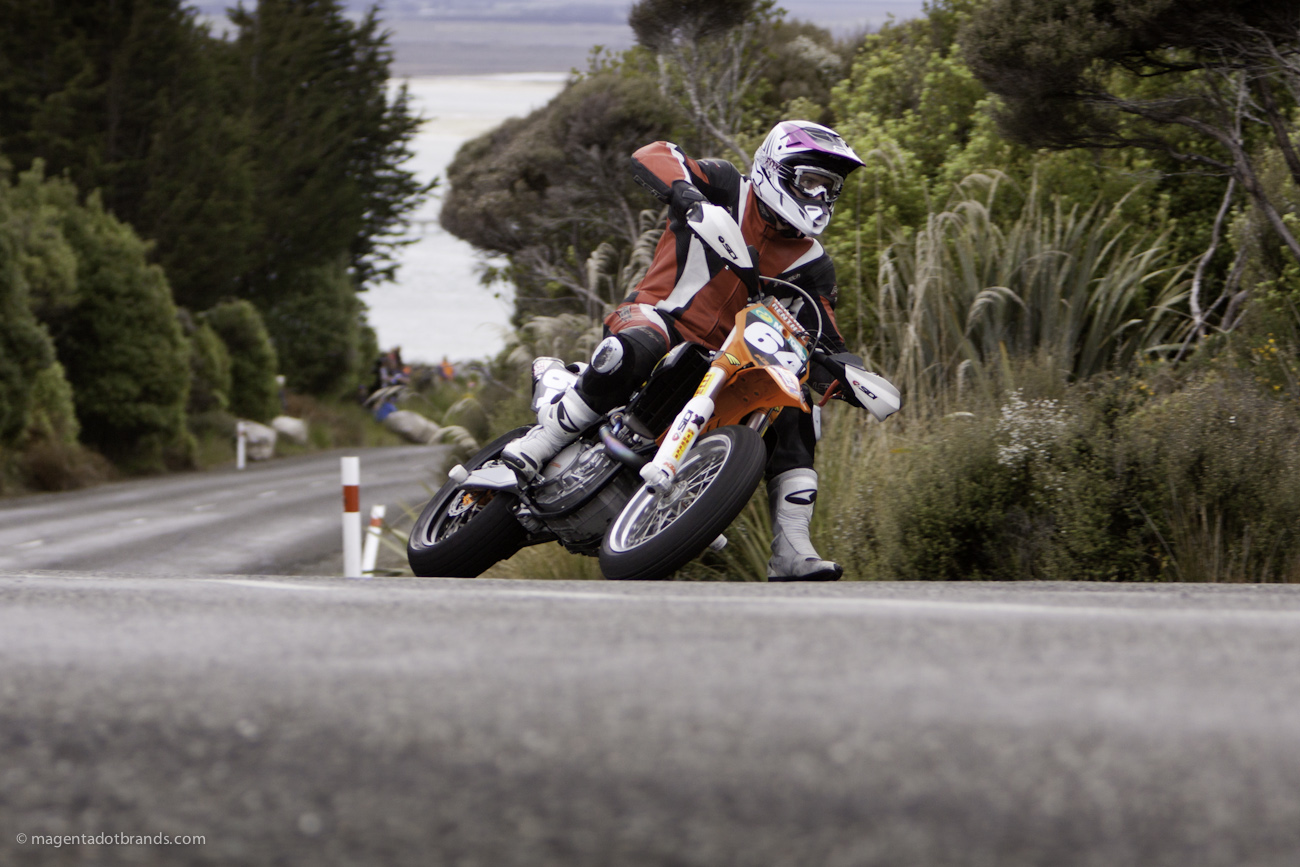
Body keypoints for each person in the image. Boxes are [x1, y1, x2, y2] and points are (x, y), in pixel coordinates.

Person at [502, 120, 867, 581]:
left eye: (829, 188)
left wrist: (850, 373)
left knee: (796, 407)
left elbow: (825, 333)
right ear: (777, 168)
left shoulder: (813, 264)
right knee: (642, 343)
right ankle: (543, 442)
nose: (819, 196)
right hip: (657, 315)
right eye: (810, 181)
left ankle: (791, 547)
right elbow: (654, 153)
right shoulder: (726, 186)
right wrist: (688, 194)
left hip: (728, 364)